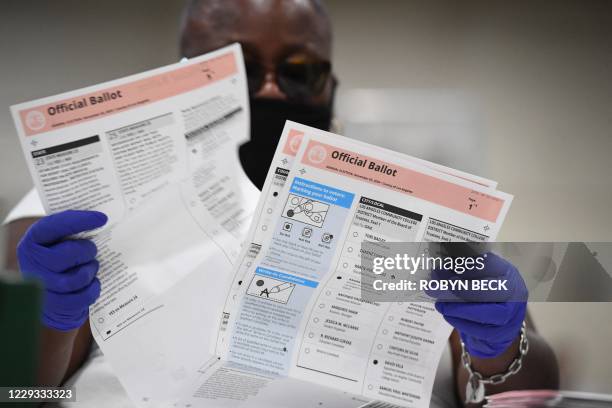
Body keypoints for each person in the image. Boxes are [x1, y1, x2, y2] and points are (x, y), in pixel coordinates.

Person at [5, 0, 559, 406]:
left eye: (298, 71)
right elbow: (18, 394)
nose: (270, 89)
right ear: (182, 76)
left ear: (330, 86)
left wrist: (501, 346)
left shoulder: (406, 208)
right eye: (237, 68)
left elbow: (538, 388)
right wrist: (46, 320)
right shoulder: (72, 210)